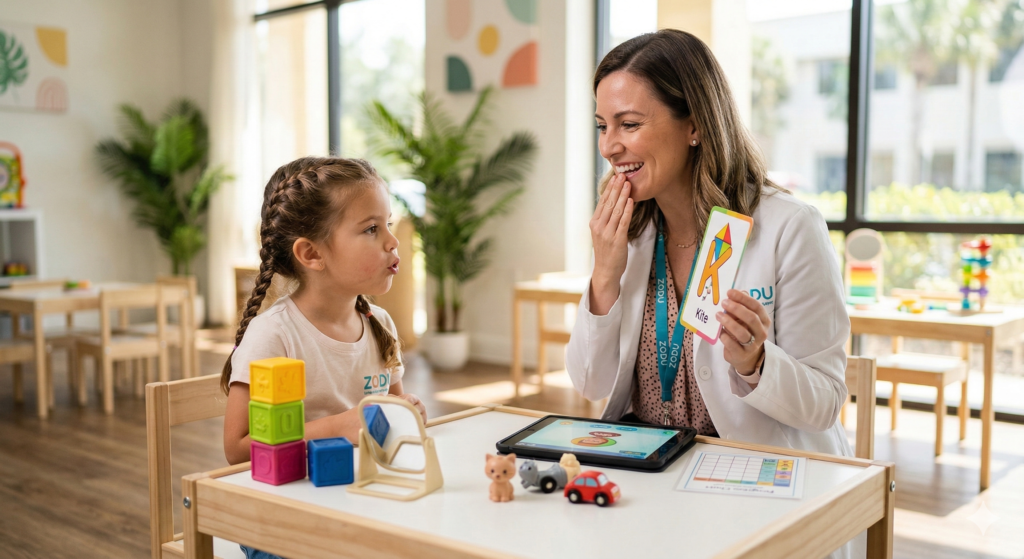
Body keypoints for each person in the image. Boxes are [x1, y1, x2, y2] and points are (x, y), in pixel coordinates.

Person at [567, 29, 853, 462]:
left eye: (629, 124)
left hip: (755, 472)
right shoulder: (629, 232)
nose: (609, 146)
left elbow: (825, 403)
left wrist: (755, 363)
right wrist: (605, 274)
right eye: (602, 127)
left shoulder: (789, 227)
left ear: (695, 125)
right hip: (654, 472)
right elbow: (590, 383)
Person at [221, 157, 427, 559]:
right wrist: (341, 426)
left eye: (387, 223)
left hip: (355, 500)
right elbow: (237, 448)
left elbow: (389, 410)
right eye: (371, 228)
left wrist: (404, 411)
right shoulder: (273, 335)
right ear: (311, 254)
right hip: (280, 518)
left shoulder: (378, 322)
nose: (392, 240)